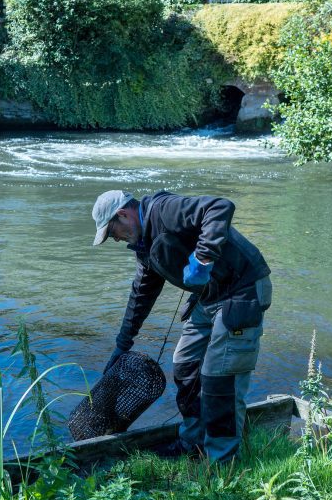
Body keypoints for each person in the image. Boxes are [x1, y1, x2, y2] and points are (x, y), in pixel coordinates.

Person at [91, 189, 272, 462]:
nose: (114, 239)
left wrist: (202, 259)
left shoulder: (164, 210)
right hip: (210, 296)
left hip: (242, 290)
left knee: (219, 377)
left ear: (123, 214)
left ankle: (221, 463)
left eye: (112, 231)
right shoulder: (144, 248)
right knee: (185, 364)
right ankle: (193, 442)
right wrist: (122, 345)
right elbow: (140, 296)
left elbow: (219, 206)